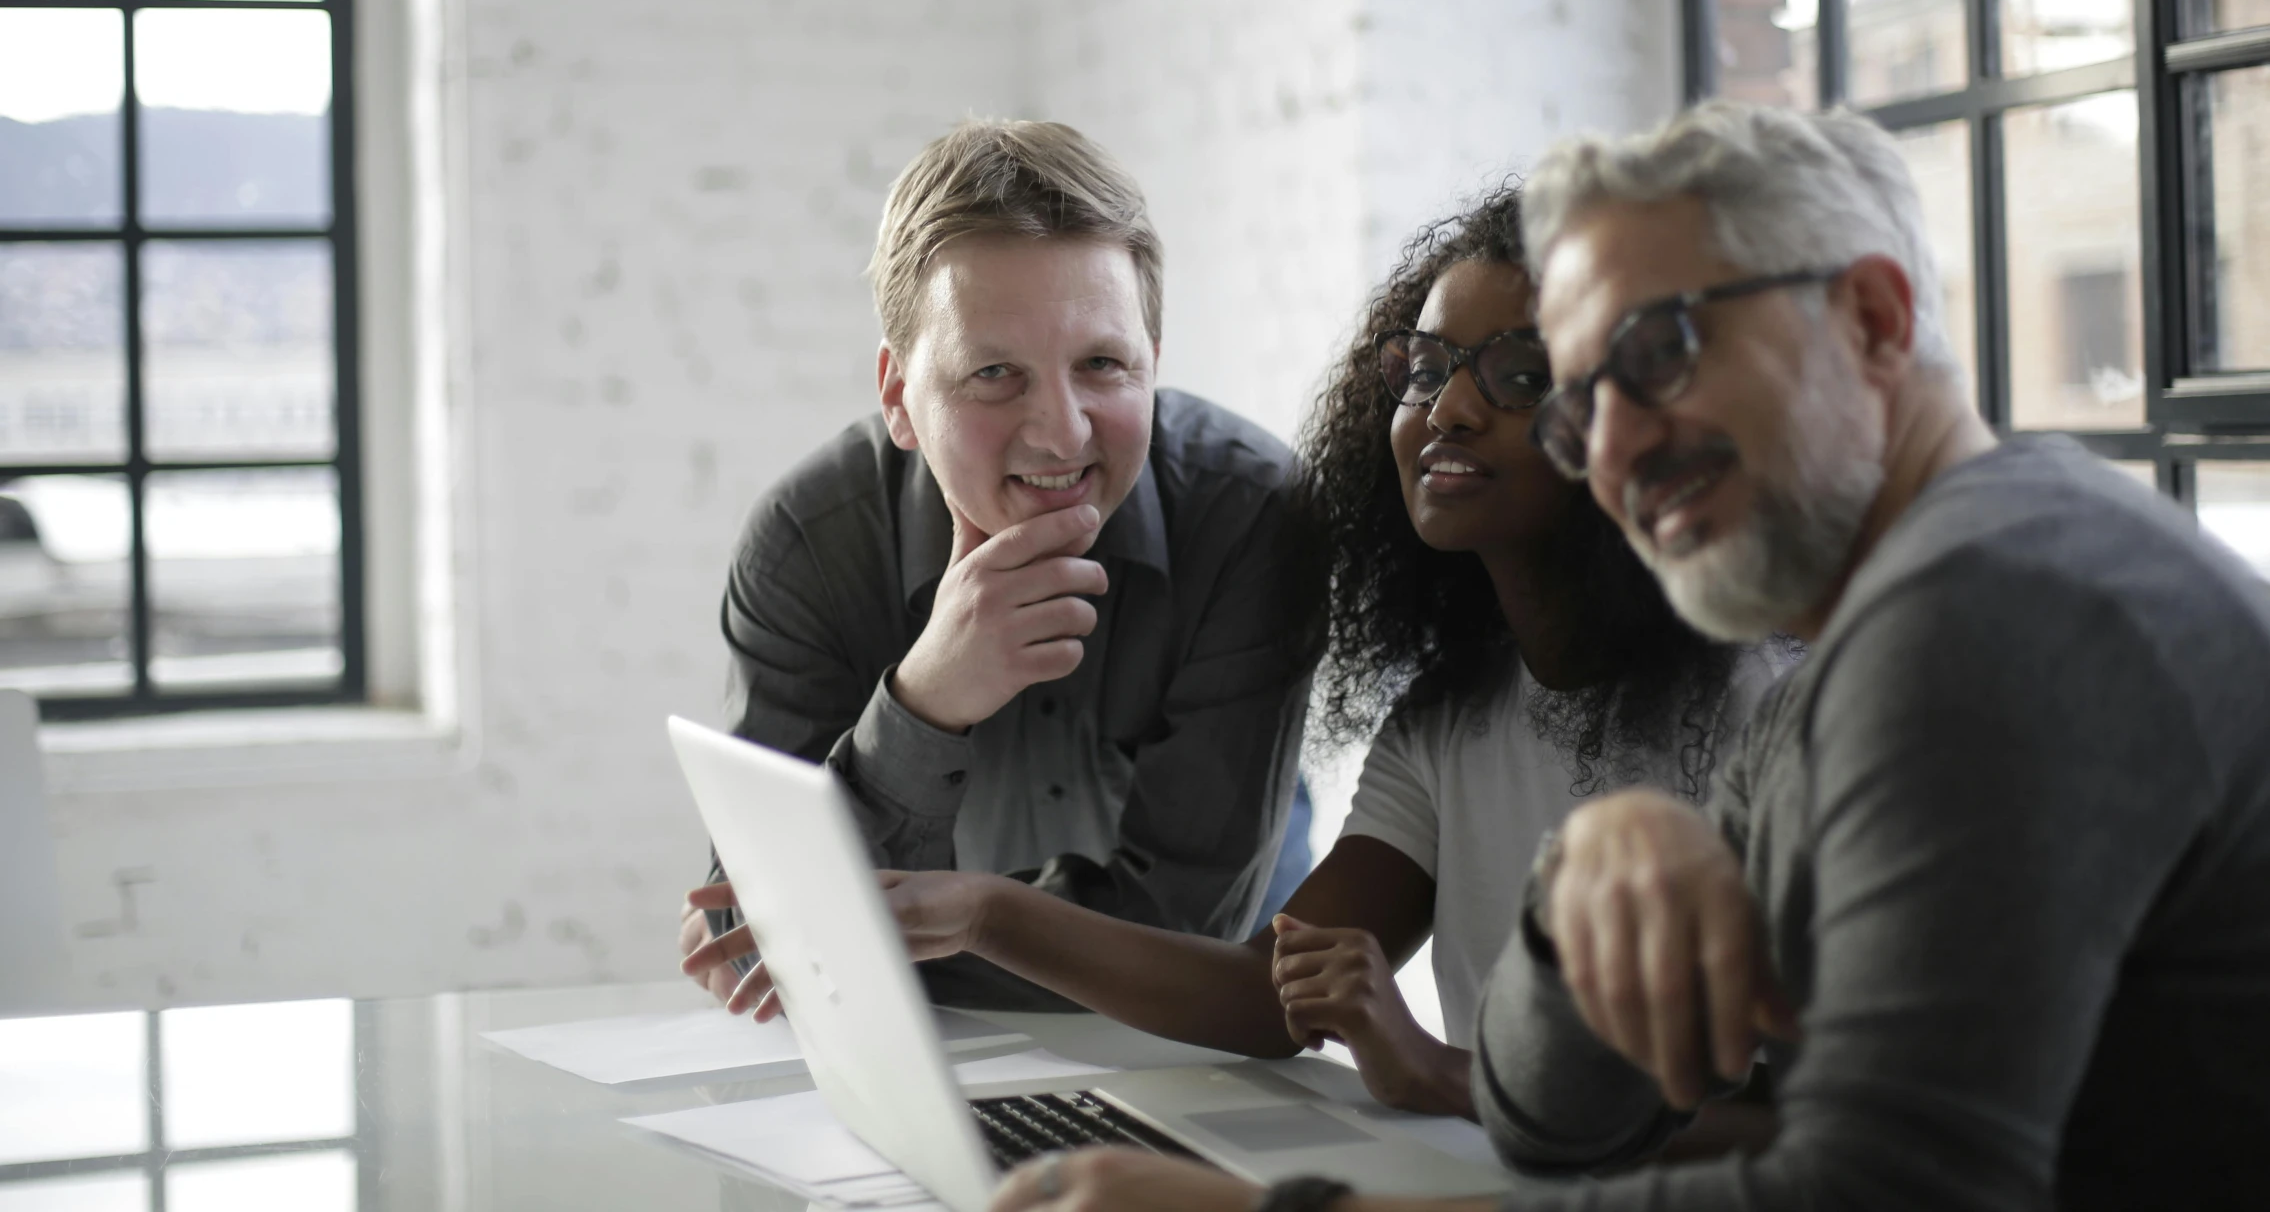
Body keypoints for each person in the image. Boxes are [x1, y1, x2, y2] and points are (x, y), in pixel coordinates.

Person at [971, 100, 2270, 1212]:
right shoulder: (1857, 654)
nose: (1610, 446)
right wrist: (1583, 871)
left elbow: (1881, 1188)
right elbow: (1558, 1121)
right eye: (1582, 395)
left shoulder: (1996, 605)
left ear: (1872, 315)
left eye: (1657, 353)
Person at [685, 185, 1771, 1116]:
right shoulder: (1446, 715)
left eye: (1520, 374)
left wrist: (1443, 1075)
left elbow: (1847, 1122)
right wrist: (978, 900)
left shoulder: (1776, 711)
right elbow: (1264, 993)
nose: (1445, 408)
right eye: (1426, 364)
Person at [681, 119, 1324, 1009]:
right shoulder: (810, 543)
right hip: (931, 1064)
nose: (1062, 429)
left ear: (1154, 367)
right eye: (994, 373)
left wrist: (856, 938)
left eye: (1103, 363)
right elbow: (754, 937)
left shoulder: (1254, 519)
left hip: (1222, 1044)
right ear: (899, 397)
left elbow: (1187, 933)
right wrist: (925, 702)